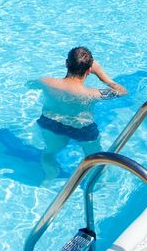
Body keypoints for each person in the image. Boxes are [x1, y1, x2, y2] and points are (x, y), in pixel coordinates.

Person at [33, 47, 127, 178]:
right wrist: (102, 75)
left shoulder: (46, 82)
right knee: (95, 159)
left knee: (49, 153)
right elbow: (122, 91)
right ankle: (94, 183)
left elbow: (30, 84)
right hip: (82, 128)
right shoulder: (92, 94)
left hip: (51, 122)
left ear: (66, 63)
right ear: (89, 71)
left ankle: (49, 178)